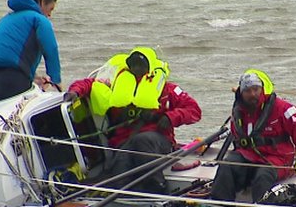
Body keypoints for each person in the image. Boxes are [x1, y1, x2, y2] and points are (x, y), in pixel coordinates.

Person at [64, 47, 201, 194]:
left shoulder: (167, 89)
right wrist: (74, 92)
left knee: (142, 141)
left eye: (141, 65)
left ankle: (159, 188)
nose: (137, 69)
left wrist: (170, 117)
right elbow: (89, 83)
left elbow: (194, 110)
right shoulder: (115, 84)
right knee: (119, 177)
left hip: (157, 142)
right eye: (133, 64)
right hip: (124, 143)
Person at [209, 69, 296, 204]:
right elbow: (237, 137)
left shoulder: (284, 109)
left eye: (256, 89)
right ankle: (219, 206)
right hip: (248, 155)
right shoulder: (238, 111)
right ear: (241, 92)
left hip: (278, 158)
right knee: (226, 167)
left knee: (263, 176)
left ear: (262, 89)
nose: (252, 94)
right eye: (248, 91)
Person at [0, 0, 61, 102]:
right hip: (15, 77)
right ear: (43, 2)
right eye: (50, 9)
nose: (49, 15)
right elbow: (51, 49)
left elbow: (9, 49)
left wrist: (33, 77)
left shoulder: (4, 20)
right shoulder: (38, 19)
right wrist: (56, 81)